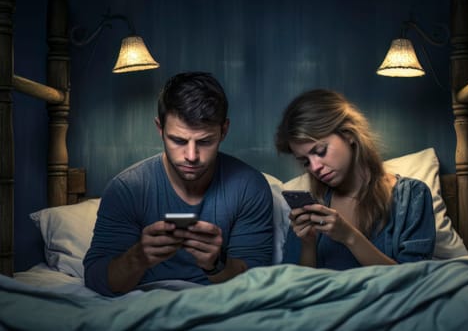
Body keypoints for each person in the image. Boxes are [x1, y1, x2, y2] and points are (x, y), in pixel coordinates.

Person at [84, 72, 274, 296]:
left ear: (224, 130)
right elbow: (96, 280)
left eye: (205, 141)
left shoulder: (249, 187)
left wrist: (216, 263)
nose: (191, 156)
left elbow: (256, 282)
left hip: (220, 302)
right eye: (178, 140)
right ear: (160, 128)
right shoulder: (127, 188)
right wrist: (138, 257)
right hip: (143, 302)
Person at [275, 89, 435, 269]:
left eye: (320, 151)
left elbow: (414, 281)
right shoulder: (314, 207)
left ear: (348, 134)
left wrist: (350, 237)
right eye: (305, 162)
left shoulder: (412, 196)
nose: (315, 167)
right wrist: (308, 244)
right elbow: (294, 284)